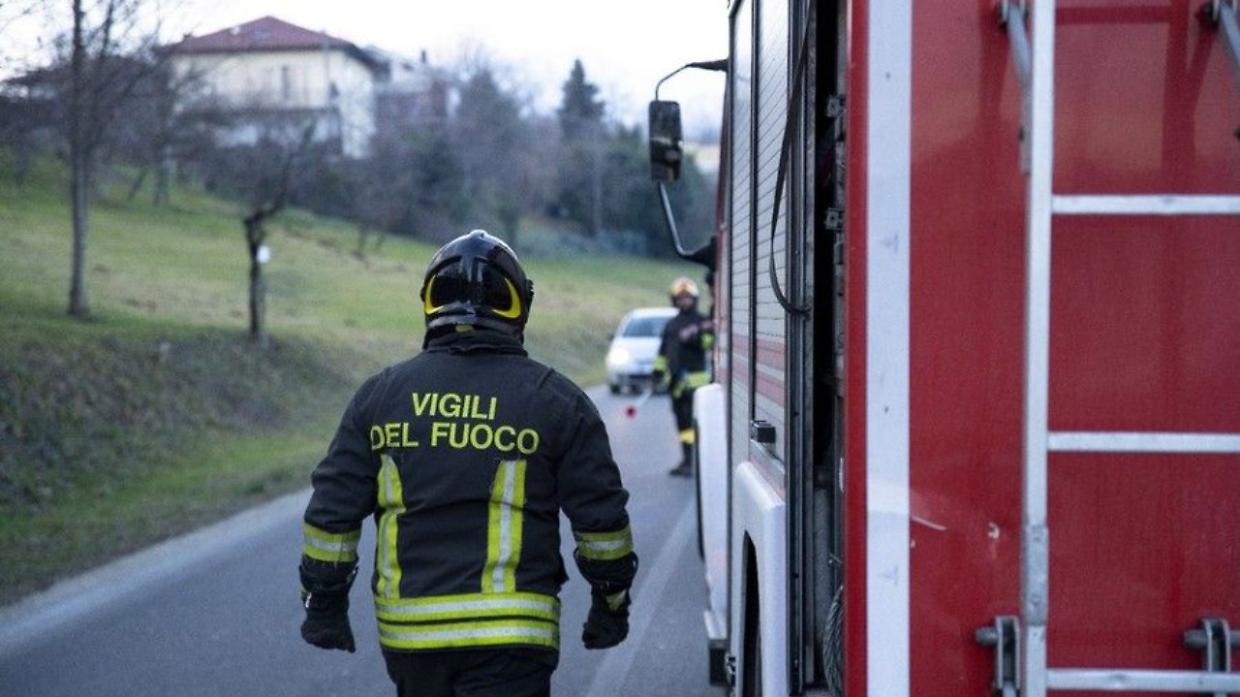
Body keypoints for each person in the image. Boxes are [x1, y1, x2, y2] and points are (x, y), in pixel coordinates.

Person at [297, 230, 638, 697]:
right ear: (518, 305)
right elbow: (601, 525)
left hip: (411, 641)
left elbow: (331, 516)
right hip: (514, 641)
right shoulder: (557, 401)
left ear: (430, 301)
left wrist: (324, 604)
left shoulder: (380, 397)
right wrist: (611, 602)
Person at [652, 276, 714, 478]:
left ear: (694, 299)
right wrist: (657, 372)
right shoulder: (671, 325)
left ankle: (697, 461)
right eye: (680, 298)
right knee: (682, 424)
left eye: (687, 298)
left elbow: (708, 344)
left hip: (696, 385)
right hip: (676, 384)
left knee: (696, 423)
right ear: (674, 300)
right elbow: (663, 352)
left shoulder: (703, 321)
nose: (684, 301)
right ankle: (687, 459)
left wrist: (694, 336)